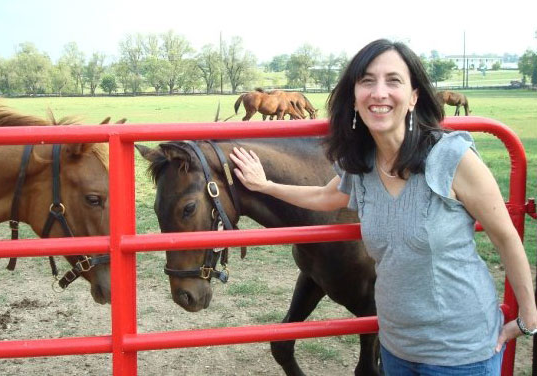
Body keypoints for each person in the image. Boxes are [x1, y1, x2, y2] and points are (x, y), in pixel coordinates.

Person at [229, 39, 537, 375]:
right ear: (354, 97)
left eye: (393, 80)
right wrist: (265, 185)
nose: (379, 92)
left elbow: (506, 237)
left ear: (414, 96)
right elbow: (323, 197)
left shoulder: (451, 157)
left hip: (460, 352)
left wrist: (528, 317)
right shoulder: (361, 163)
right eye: (367, 81)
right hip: (395, 348)